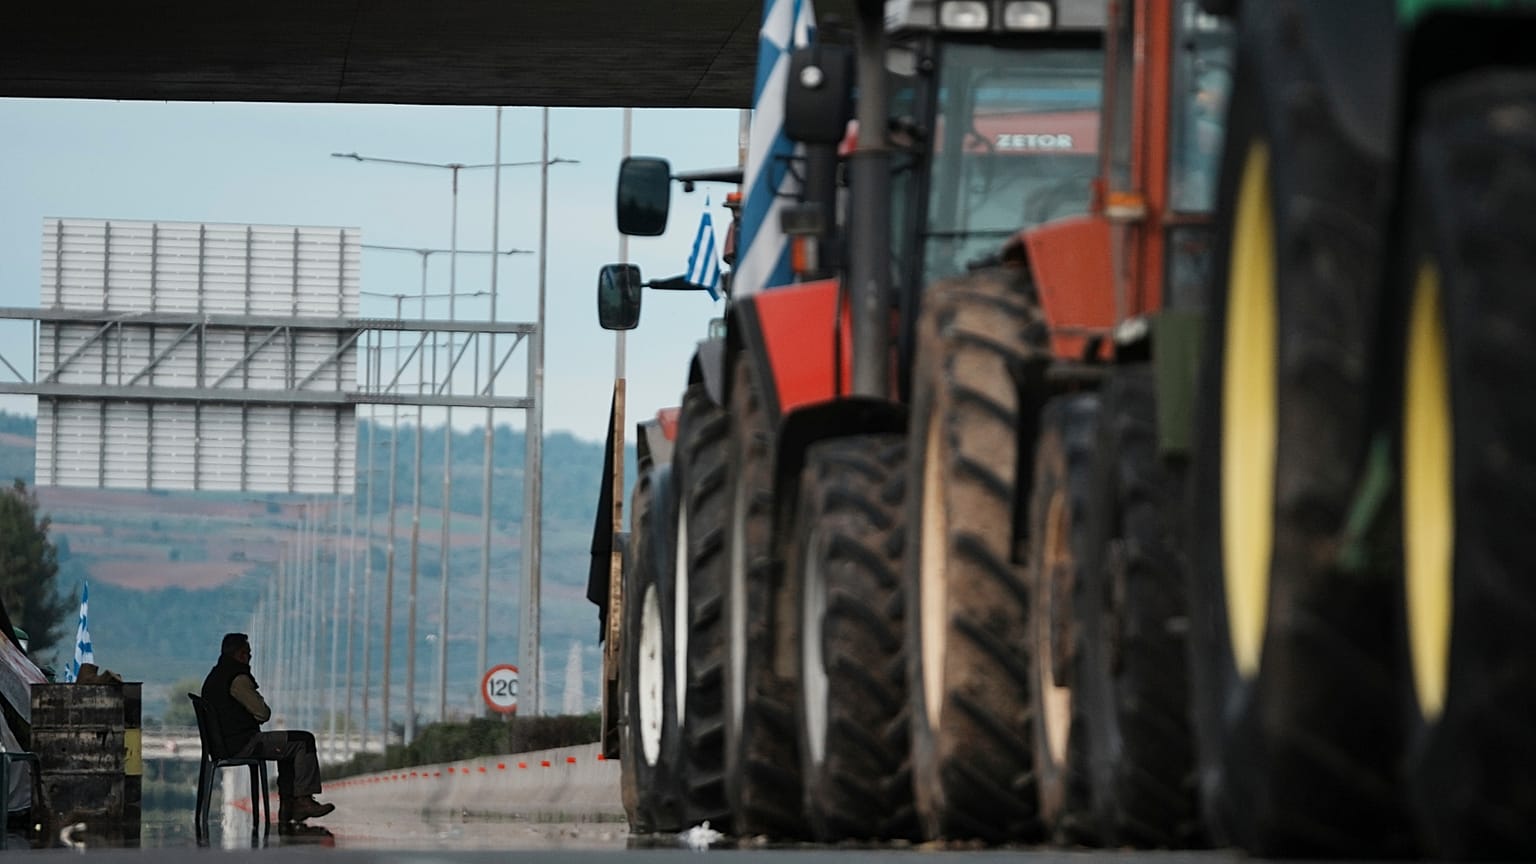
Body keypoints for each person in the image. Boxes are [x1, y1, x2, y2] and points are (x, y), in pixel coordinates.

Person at [201, 632, 335, 824]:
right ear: (240, 654)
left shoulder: (216, 676)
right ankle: (302, 801)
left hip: (227, 743)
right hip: (243, 743)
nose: (249, 658)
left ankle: (291, 806)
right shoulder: (237, 678)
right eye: (248, 653)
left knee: (287, 747)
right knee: (303, 741)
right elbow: (263, 713)